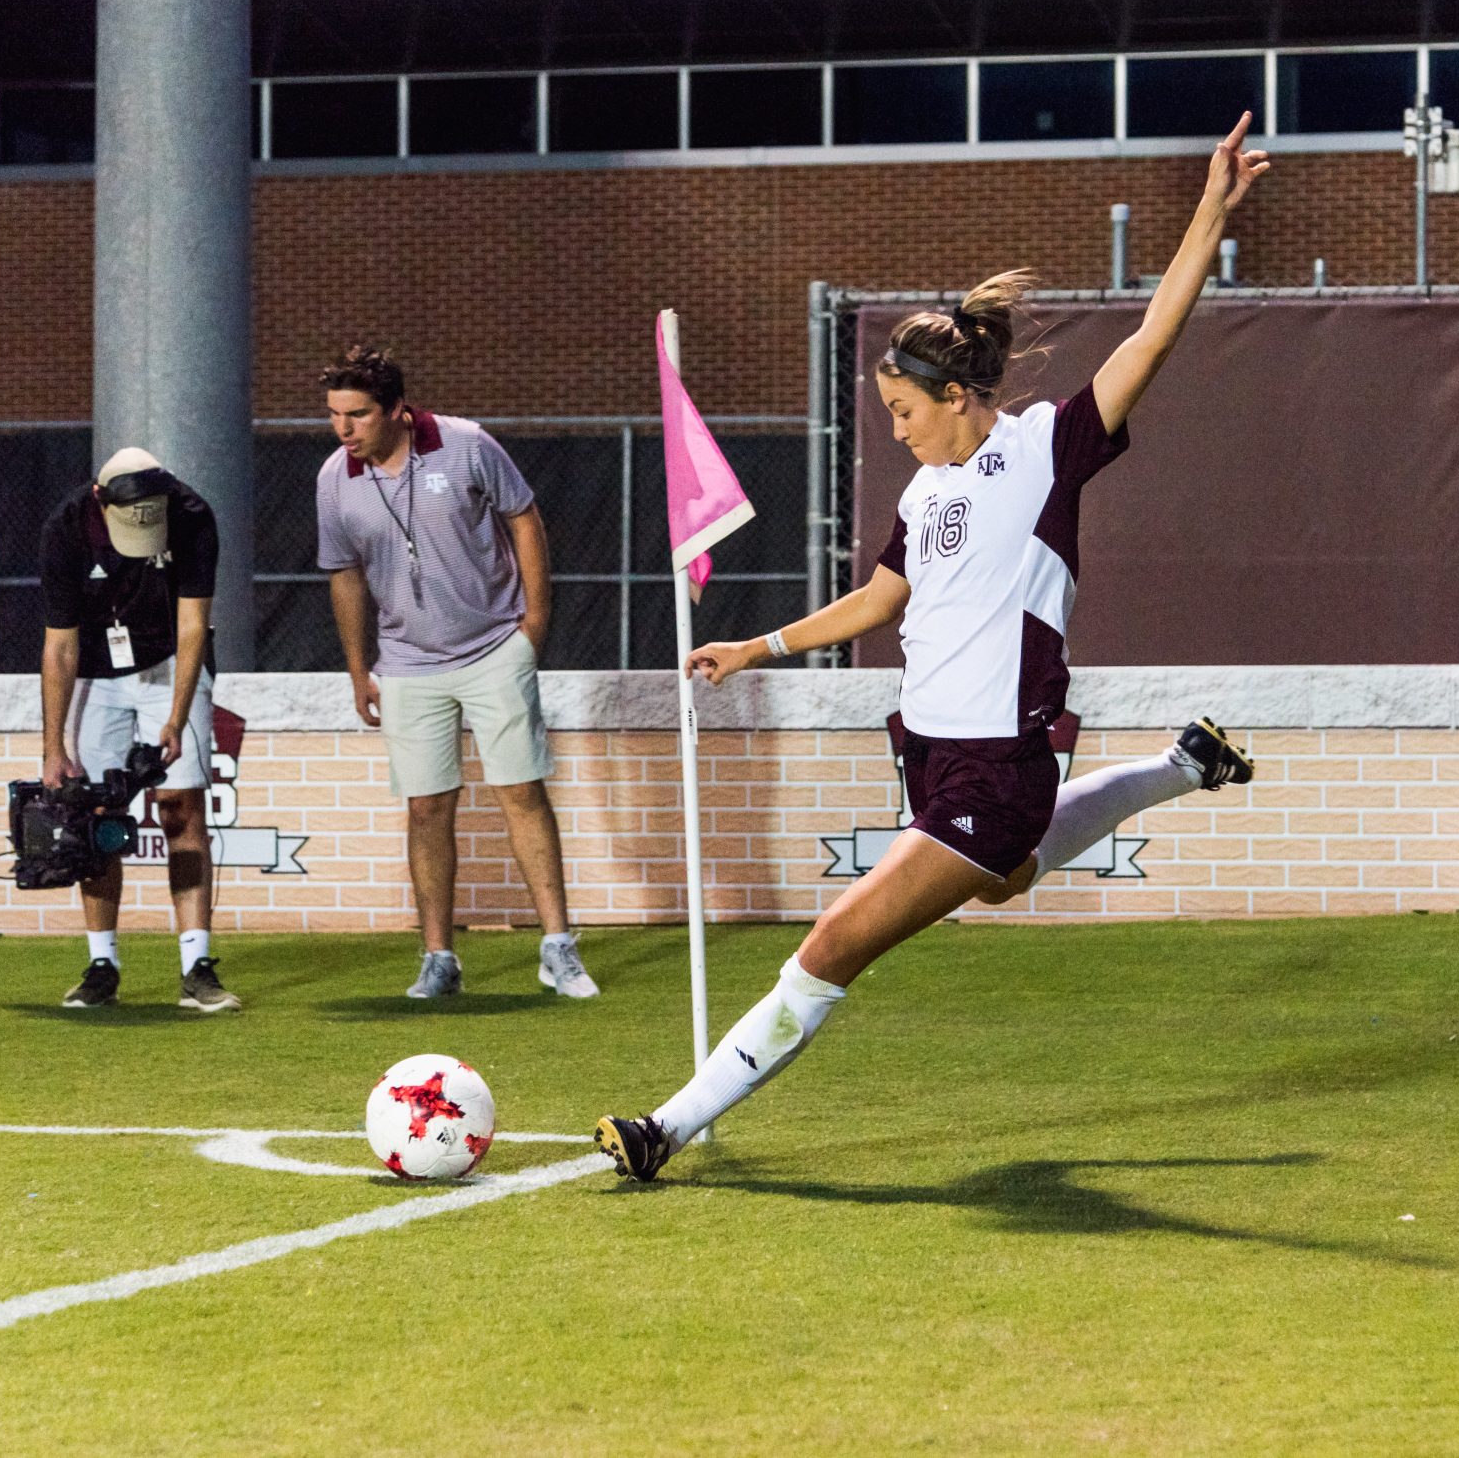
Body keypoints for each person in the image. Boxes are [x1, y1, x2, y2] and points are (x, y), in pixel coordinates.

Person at [595, 114, 1272, 1181]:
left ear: (958, 396)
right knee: (1002, 883)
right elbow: (879, 598)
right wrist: (755, 645)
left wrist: (1208, 211)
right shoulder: (924, 488)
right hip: (931, 750)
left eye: (906, 408)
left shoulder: (1044, 446)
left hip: (1001, 760)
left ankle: (663, 1126)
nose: (896, 426)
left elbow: (1149, 340)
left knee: (830, 944)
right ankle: (1179, 765)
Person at [315, 343, 597, 1002]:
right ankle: (439, 956)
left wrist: (534, 623)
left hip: (496, 646)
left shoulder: (466, 443)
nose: (343, 429)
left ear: (395, 410)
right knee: (426, 807)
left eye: (356, 415)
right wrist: (360, 669)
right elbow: (345, 575)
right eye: (333, 415)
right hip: (407, 664)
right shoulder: (334, 477)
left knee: (520, 791)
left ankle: (558, 947)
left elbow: (524, 519)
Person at [38, 447, 236, 1013]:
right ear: (101, 502)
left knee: (180, 806)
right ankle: (103, 964)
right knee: (96, 811)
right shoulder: (66, 527)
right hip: (98, 674)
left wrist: (175, 717)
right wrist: (53, 748)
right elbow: (60, 644)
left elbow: (194, 622)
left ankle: (197, 966)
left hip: (171, 662)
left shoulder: (193, 515)